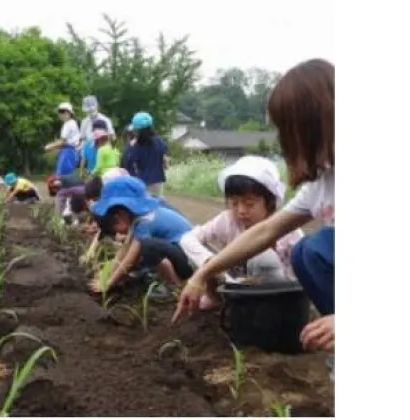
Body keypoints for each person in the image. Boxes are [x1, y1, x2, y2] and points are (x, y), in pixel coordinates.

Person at [172, 58, 335, 356]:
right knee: (309, 253)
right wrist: (202, 274)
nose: (285, 139)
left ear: (315, 122)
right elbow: (266, 231)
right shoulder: (323, 182)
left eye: (288, 127)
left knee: (313, 248)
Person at [178, 155, 305, 310]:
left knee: (263, 258)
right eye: (234, 203)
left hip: (277, 292)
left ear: (270, 202)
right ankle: (216, 298)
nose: (241, 211)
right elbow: (188, 239)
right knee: (202, 257)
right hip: (235, 282)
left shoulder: (287, 229)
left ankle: (262, 307)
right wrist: (209, 263)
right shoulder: (227, 220)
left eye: (249, 204)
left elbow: (300, 276)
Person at [88, 176, 195, 294]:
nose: (117, 233)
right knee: (144, 254)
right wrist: (106, 274)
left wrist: (107, 284)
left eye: (114, 225)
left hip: (188, 259)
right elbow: (123, 251)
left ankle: (174, 285)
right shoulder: (140, 217)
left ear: (120, 215)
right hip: (181, 253)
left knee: (147, 248)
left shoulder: (143, 222)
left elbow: (129, 259)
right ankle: (170, 279)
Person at [126, 112, 169, 197]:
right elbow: (164, 155)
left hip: (142, 181)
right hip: (158, 180)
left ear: (137, 130)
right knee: (157, 204)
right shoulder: (159, 141)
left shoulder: (136, 146)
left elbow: (131, 162)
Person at [78, 96, 116, 177]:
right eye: (88, 111)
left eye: (92, 109)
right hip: (90, 154)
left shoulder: (105, 120)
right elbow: (82, 139)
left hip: (104, 153)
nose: (90, 112)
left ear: (97, 106)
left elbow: (112, 137)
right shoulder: (84, 122)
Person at [44, 103, 81, 177]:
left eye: (63, 111)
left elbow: (62, 141)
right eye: (60, 112)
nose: (61, 114)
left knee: (62, 176)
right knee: (67, 176)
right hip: (72, 151)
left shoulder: (68, 124)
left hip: (69, 152)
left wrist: (50, 146)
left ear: (69, 112)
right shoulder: (72, 123)